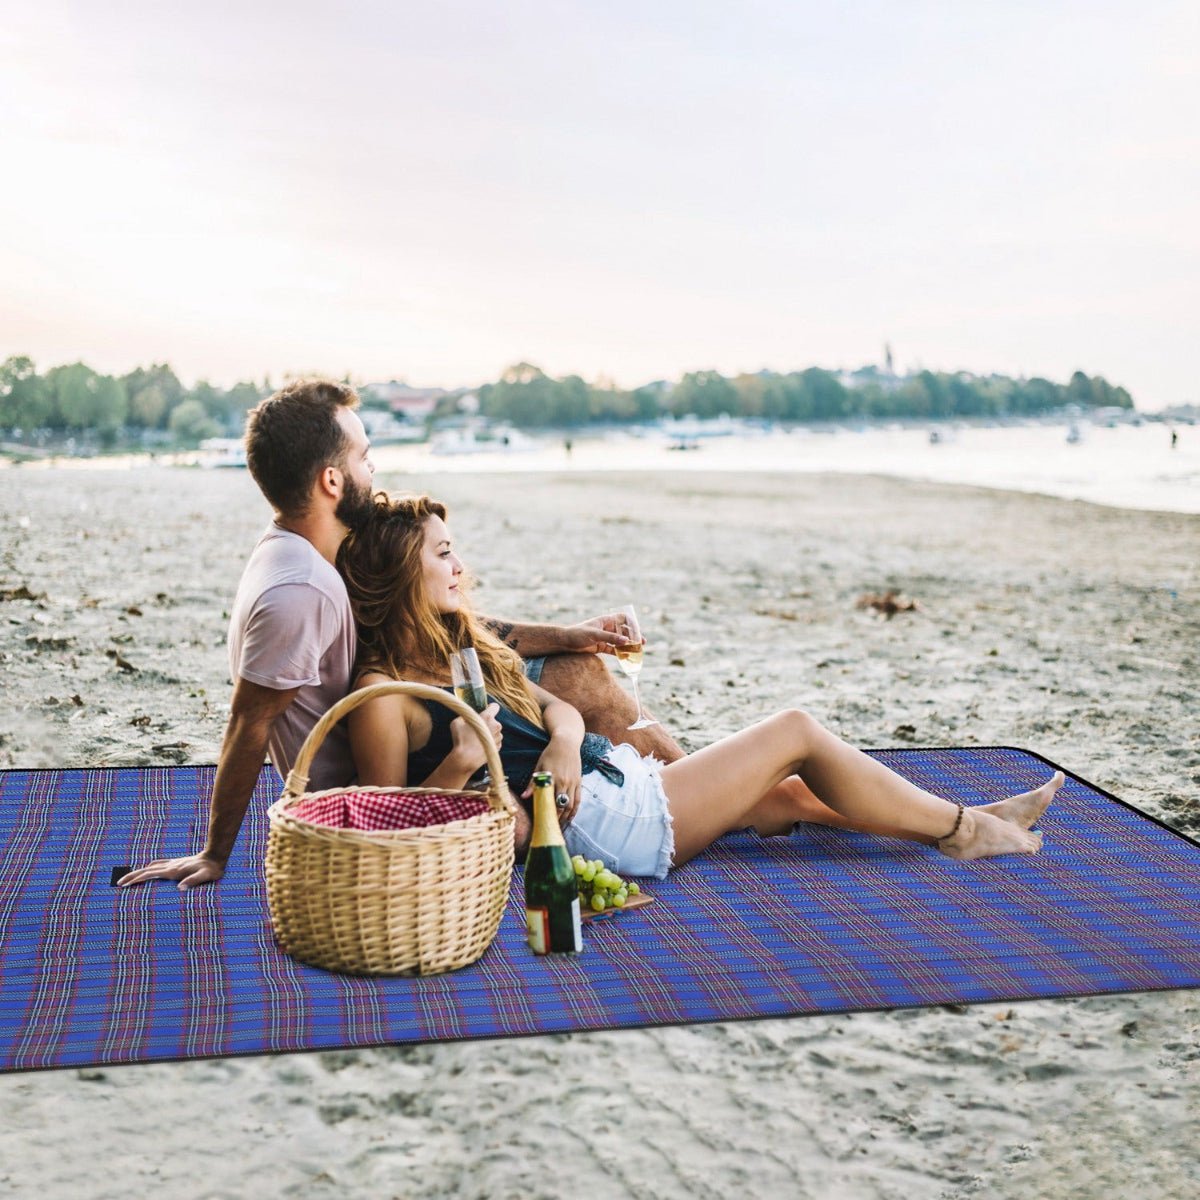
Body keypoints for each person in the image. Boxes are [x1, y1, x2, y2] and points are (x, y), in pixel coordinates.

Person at [116, 380, 678, 891]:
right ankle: (685, 797)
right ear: (331, 480)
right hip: (384, 772)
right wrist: (216, 854)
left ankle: (680, 787)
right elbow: (249, 721)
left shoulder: (316, 550)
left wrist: (567, 634)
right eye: (363, 458)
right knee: (572, 681)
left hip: (410, 708)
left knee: (573, 662)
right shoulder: (301, 589)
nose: (373, 469)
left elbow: (442, 625)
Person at [338, 494, 1064, 875]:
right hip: (602, 827)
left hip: (604, 778)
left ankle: (968, 813)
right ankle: (963, 832)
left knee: (778, 795)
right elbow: (388, 825)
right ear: (404, 575)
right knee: (796, 732)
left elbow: (556, 705)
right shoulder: (386, 695)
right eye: (443, 553)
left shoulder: (464, 639)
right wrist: (464, 761)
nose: (460, 565)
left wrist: (564, 738)